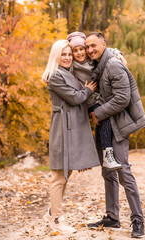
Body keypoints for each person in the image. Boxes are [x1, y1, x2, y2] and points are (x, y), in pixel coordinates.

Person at [85, 32, 145, 238]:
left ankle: (138, 220)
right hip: (104, 125)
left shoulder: (112, 64)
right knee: (108, 171)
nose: (89, 50)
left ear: (104, 45)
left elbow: (123, 98)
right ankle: (112, 217)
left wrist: (98, 113)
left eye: (93, 45)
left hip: (117, 125)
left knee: (123, 171)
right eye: (87, 47)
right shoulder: (98, 65)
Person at [41, 39, 100, 233]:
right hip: (62, 127)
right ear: (56, 56)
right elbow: (76, 98)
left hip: (72, 126)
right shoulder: (56, 76)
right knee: (59, 175)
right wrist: (88, 90)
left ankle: (53, 213)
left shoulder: (69, 72)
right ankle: (55, 219)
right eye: (63, 54)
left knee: (65, 174)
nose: (67, 58)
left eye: (69, 54)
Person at [66, 31, 125, 171]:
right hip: (90, 100)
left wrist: (118, 53)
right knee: (104, 119)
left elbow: (106, 51)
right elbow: (58, 63)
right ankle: (107, 155)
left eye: (82, 49)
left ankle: (106, 153)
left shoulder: (92, 60)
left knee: (106, 123)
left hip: (102, 97)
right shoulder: (72, 65)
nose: (79, 53)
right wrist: (48, 74)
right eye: (75, 50)